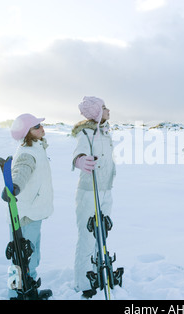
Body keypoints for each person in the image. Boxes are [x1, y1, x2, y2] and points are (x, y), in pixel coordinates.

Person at [2, 113, 54, 300]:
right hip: (25, 215)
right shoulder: (27, 153)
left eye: (41, 125)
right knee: (21, 256)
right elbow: (21, 171)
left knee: (31, 255)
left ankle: (29, 290)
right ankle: (14, 294)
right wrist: (14, 186)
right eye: (37, 126)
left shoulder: (37, 147)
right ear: (28, 133)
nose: (42, 128)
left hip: (34, 211)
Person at [71, 96, 116, 299]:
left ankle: (99, 271)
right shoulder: (87, 133)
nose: (109, 111)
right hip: (89, 191)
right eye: (105, 108)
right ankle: (83, 282)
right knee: (88, 236)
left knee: (102, 233)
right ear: (97, 112)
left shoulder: (105, 132)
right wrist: (80, 161)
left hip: (105, 189)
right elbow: (78, 153)